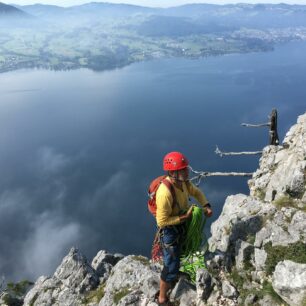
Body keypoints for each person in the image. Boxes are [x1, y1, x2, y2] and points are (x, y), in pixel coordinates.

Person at [156, 151, 213, 306]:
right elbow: (161, 221)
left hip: (180, 223)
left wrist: (205, 205)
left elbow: (196, 192)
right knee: (170, 265)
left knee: (179, 253)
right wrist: (184, 218)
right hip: (169, 230)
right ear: (173, 172)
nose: (187, 171)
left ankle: (173, 276)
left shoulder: (184, 183)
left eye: (185, 168)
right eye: (183, 169)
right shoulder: (164, 193)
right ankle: (162, 299)